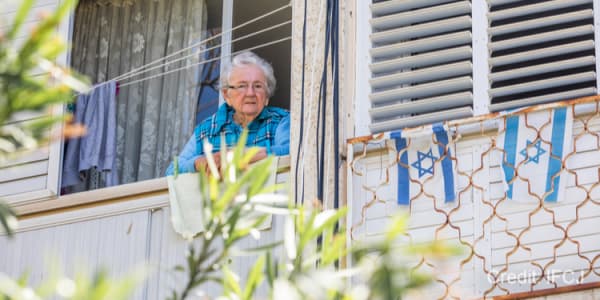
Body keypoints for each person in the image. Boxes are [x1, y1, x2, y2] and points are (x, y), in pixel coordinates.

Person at [165, 51, 290, 176]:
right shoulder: (207, 130)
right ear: (226, 95)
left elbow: (293, 151)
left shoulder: (281, 121)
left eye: (258, 86)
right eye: (242, 86)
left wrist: (243, 155)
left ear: (267, 96)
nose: (250, 93)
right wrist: (200, 162)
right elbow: (172, 170)